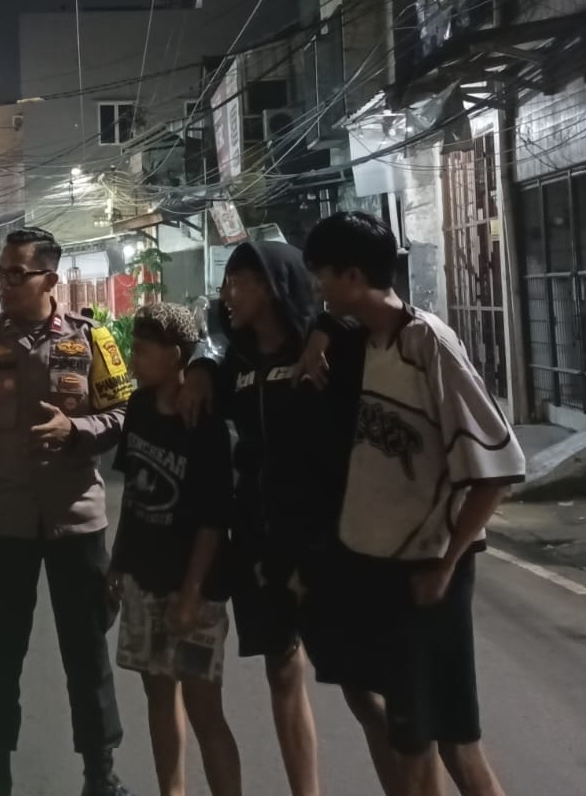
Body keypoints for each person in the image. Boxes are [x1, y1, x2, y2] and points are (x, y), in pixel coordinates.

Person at [299, 212, 525, 796]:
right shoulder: (367, 339)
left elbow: (497, 469)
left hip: (424, 575)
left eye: (323, 275)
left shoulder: (429, 343)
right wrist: (321, 332)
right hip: (381, 571)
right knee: (418, 735)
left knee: (443, 740)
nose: (319, 288)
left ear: (352, 275)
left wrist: (444, 566)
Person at [0, 226, 136, 796]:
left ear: (50, 279)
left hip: (76, 518)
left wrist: (75, 429)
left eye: (15, 274)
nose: (3, 284)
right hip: (4, 522)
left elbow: (125, 413)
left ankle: (100, 775)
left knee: (86, 651)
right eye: (0, 274)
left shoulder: (92, 339)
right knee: (0, 651)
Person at [176, 242, 332, 796]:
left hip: (319, 539)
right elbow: (209, 348)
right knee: (281, 668)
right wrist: (200, 366)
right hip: (258, 539)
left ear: (269, 286)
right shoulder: (236, 361)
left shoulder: (317, 348)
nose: (228, 294)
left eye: (237, 282)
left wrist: (326, 331)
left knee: (363, 683)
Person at [108, 305, 241, 796]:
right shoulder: (139, 409)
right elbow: (135, 495)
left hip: (195, 589)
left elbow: (213, 519)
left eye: (143, 351)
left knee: (206, 710)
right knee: (158, 698)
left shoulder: (205, 422)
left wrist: (190, 593)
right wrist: (118, 562)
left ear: (175, 356)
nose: (133, 359)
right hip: (144, 577)